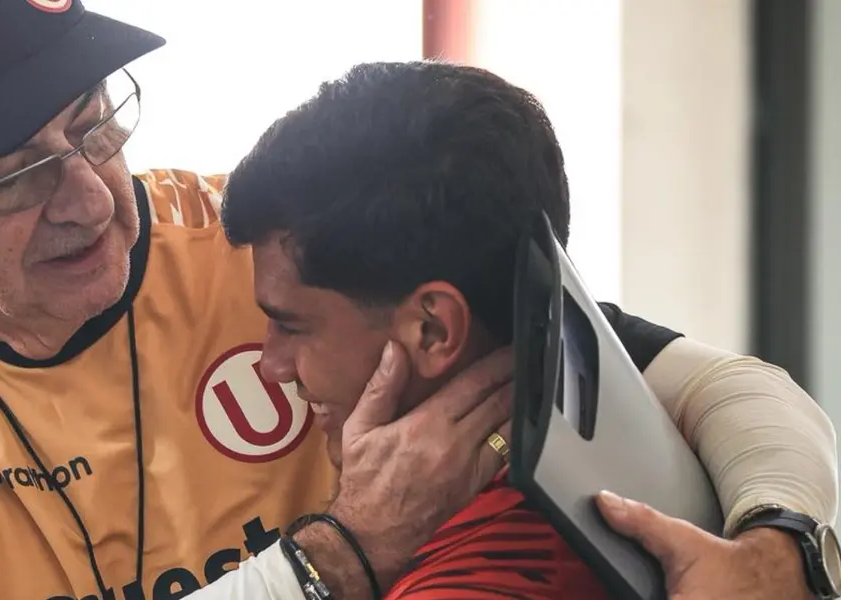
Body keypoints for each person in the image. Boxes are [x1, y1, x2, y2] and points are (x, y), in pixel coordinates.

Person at [0, 1, 836, 599]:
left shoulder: (254, 241)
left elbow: (722, 389)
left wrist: (783, 549)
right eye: (8, 172)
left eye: (94, 120)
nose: (86, 199)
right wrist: (336, 558)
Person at [216, 59, 827, 599]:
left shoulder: (481, 580)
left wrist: (341, 555)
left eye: (291, 327)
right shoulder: (594, 402)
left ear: (432, 329)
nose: (268, 364)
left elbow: (728, 385)